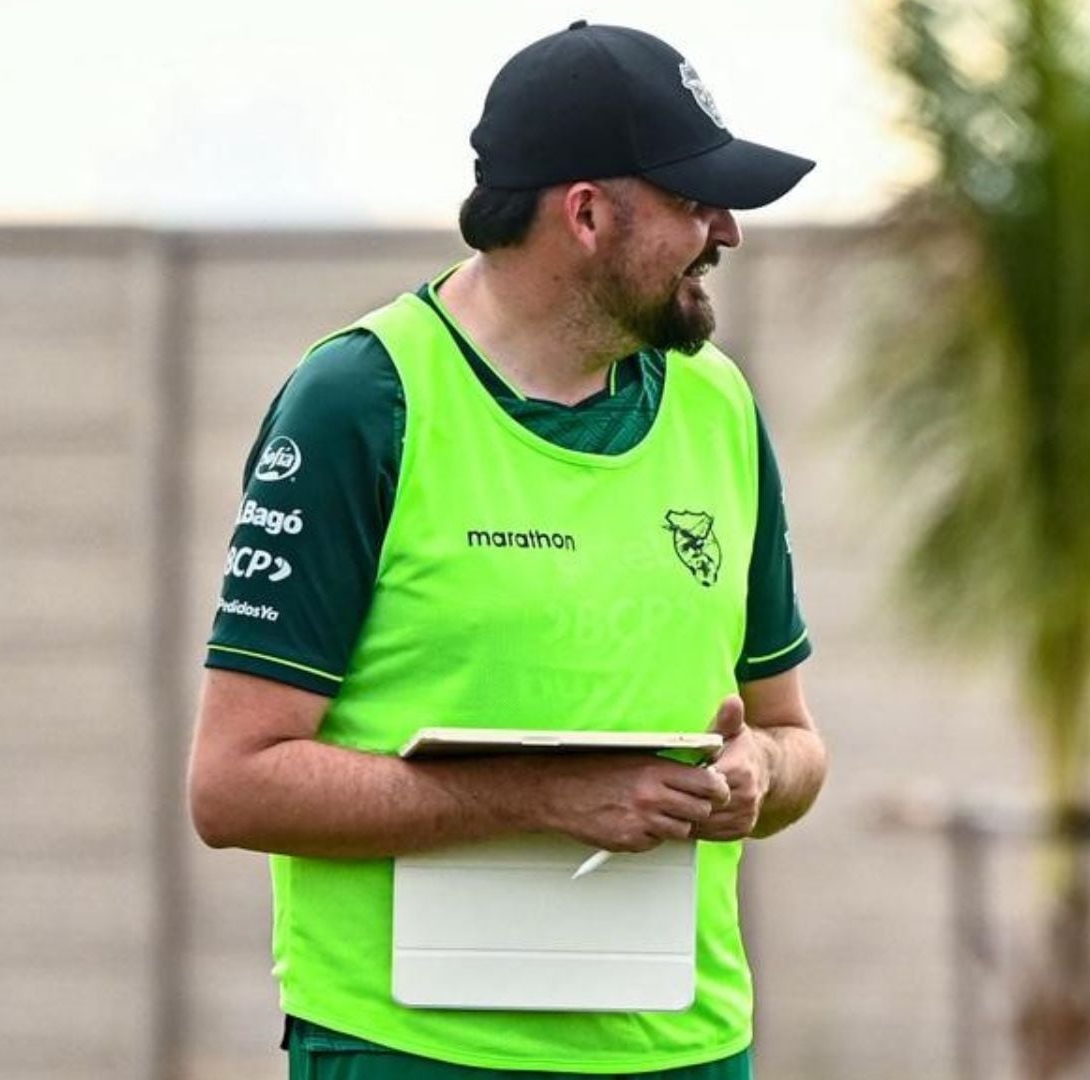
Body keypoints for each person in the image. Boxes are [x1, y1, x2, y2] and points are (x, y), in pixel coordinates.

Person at [187, 22, 826, 1080]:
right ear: (585, 214)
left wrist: (758, 771)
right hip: (408, 1053)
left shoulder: (720, 407)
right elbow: (235, 786)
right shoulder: (362, 399)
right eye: (692, 199)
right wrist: (533, 799)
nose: (727, 230)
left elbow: (795, 739)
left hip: (688, 1055)